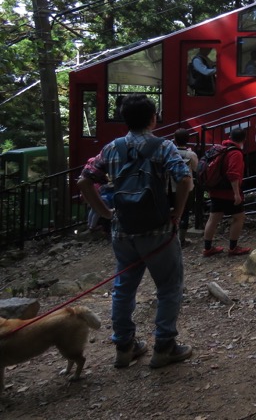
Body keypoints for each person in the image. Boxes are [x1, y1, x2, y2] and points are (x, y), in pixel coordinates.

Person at [77, 94, 193, 370]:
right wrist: (177, 212)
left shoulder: (110, 149)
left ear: (125, 120)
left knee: (123, 290)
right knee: (168, 288)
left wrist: (106, 213)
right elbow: (185, 180)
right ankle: (164, 348)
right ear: (153, 118)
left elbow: (84, 181)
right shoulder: (163, 147)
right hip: (158, 232)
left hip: (123, 231)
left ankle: (124, 347)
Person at [202, 127, 252, 256]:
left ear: (229, 137)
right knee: (239, 217)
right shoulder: (236, 153)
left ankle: (207, 248)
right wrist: (236, 194)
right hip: (228, 192)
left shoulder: (221, 149)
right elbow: (233, 174)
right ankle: (233, 247)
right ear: (244, 139)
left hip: (215, 190)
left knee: (213, 219)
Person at [172, 128, 198, 247]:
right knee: (185, 213)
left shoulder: (170, 152)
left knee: (172, 211)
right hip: (188, 188)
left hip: (171, 187)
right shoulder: (191, 154)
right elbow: (196, 168)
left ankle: (171, 238)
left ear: (174, 139)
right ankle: (181, 239)